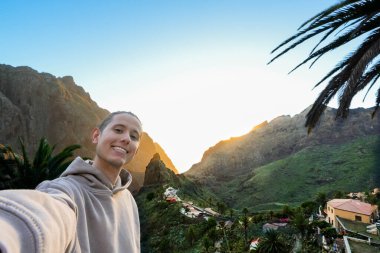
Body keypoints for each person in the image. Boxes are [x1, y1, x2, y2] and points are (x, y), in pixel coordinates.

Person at [0, 111, 142, 253]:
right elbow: (45, 216)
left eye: (133, 136)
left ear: (135, 152)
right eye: (118, 130)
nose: (126, 138)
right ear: (96, 136)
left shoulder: (129, 200)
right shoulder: (67, 190)